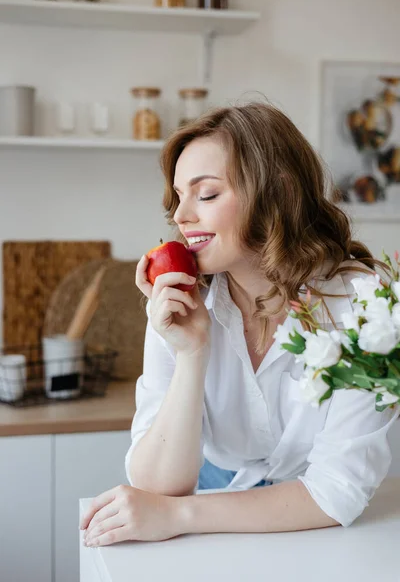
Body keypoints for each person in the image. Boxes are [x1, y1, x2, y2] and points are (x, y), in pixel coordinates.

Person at [80, 101, 399, 546]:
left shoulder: (367, 308)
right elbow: (155, 489)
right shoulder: (183, 304)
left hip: (326, 537)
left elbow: (334, 494)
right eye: (178, 197)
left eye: (206, 194)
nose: (180, 216)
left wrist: (178, 514)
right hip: (211, 523)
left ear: (278, 192)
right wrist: (192, 353)